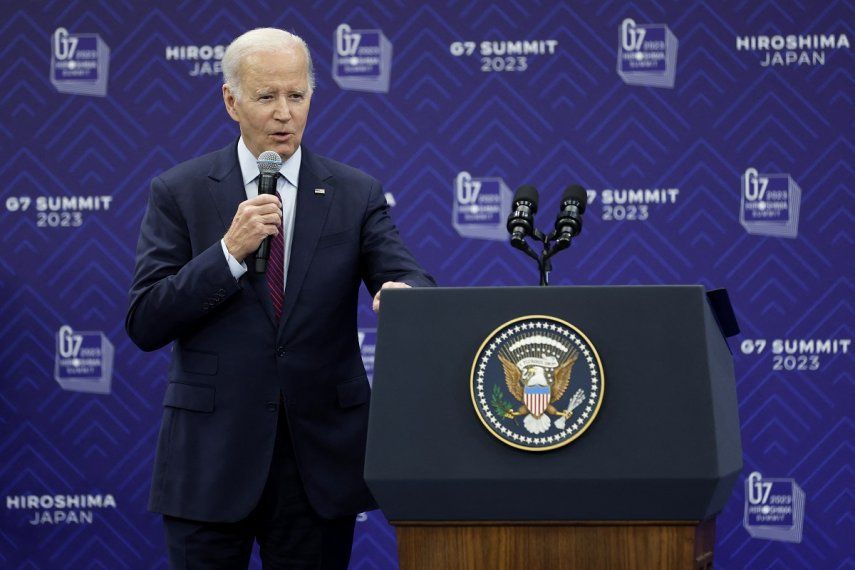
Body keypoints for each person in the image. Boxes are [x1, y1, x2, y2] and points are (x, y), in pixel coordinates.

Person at [126, 27, 434, 569]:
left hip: (315, 466)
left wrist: (404, 294)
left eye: (296, 95)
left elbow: (407, 275)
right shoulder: (179, 191)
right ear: (231, 100)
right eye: (267, 97)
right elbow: (146, 320)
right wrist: (227, 253)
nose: (284, 113)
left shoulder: (354, 191)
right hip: (211, 463)